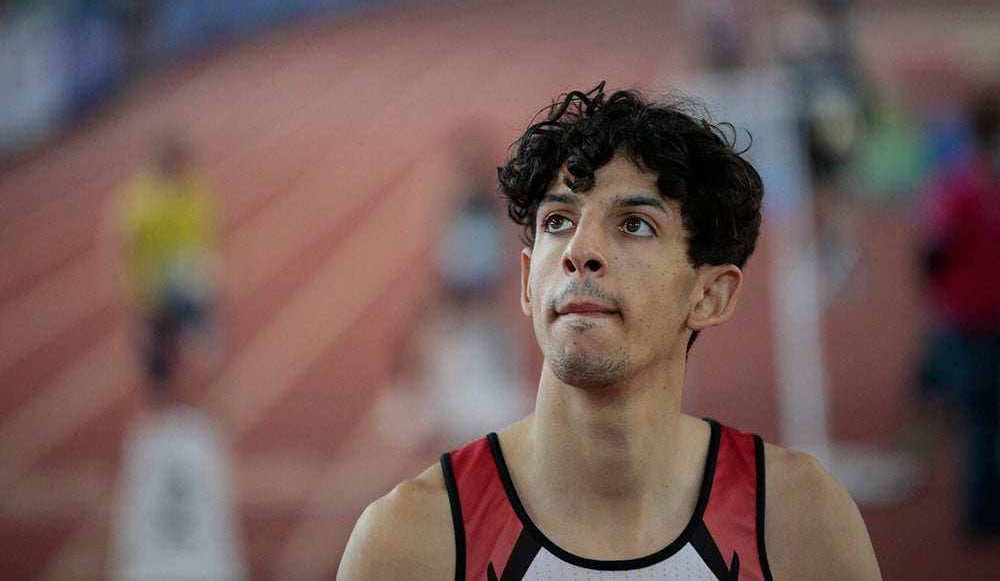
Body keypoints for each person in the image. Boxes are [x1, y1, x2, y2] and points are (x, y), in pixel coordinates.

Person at [338, 83, 881, 579]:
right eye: (558, 221)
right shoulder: (409, 545)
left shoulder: (801, 526)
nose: (579, 251)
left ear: (711, 295)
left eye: (634, 224)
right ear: (528, 281)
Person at [916, 94, 1000, 539]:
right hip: (968, 324)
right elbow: (933, 253)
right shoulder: (961, 193)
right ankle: (980, 513)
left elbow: (931, 255)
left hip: (965, 320)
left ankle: (981, 511)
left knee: (981, 419)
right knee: (981, 418)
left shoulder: (958, 190)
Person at [112, 129, 221, 404]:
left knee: (192, 354)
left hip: (186, 286)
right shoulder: (142, 198)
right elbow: (125, 243)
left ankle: (188, 405)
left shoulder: (193, 189)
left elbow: (208, 233)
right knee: (163, 360)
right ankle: (174, 406)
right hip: (158, 289)